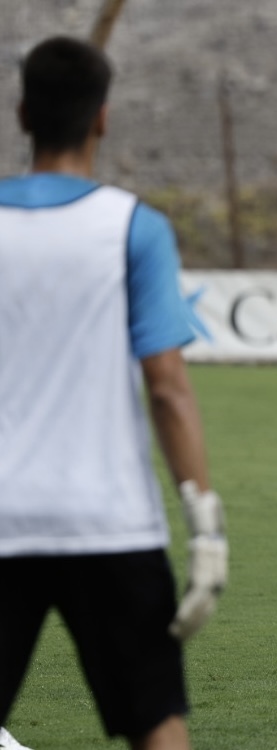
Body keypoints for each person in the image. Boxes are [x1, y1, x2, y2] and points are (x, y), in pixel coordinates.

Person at [0, 37, 228, 748]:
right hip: (111, 522)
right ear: (103, 119)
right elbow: (168, 389)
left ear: (21, 114)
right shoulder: (136, 227)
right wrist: (206, 527)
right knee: (157, 727)